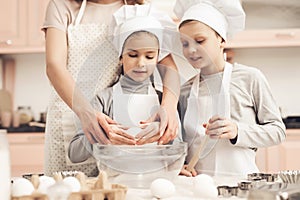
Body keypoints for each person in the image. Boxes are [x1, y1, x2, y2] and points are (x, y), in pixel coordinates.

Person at [42, 0, 180, 177]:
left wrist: (168, 109)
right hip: (72, 119)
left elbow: (170, 71)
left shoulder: (135, 12)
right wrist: (88, 115)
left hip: (115, 122)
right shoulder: (61, 5)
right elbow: (54, 65)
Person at [174, 0, 286, 177]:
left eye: (199, 40)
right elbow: (178, 142)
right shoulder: (184, 90)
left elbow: (278, 131)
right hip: (198, 186)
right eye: (185, 44)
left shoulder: (250, 78)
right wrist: (178, 165)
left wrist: (237, 130)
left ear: (221, 39)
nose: (191, 50)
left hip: (241, 184)